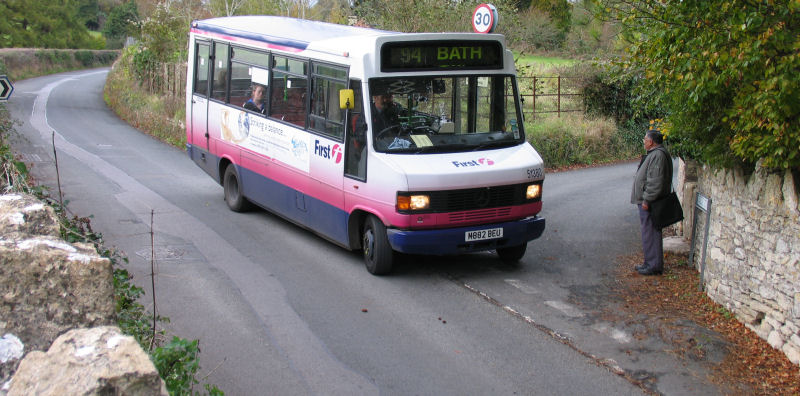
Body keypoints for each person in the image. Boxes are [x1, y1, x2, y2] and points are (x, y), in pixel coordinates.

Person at [630, 129, 672, 275]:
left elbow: (655, 181)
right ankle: (649, 262)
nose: (643, 141)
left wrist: (647, 200)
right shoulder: (656, 154)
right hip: (649, 201)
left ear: (652, 141)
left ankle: (653, 265)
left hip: (651, 202)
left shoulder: (658, 155)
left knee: (651, 232)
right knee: (648, 231)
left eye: (645, 139)